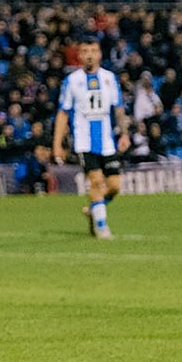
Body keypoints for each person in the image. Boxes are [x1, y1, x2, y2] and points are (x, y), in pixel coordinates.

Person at [52, 36, 130, 240]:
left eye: (93, 51)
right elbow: (63, 113)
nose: (89, 55)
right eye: (85, 51)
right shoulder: (71, 81)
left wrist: (124, 134)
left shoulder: (110, 78)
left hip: (107, 141)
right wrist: (57, 144)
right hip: (84, 141)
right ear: (79, 55)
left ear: (99, 54)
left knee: (114, 186)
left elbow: (118, 108)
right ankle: (101, 227)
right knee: (95, 181)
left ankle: (94, 210)